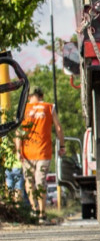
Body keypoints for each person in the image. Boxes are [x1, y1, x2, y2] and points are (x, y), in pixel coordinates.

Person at [14, 87, 65, 221]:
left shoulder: (23, 109)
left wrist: (19, 151)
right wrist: (62, 145)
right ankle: (42, 213)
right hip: (43, 152)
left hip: (27, 154)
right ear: (41, 96)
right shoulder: (49, 107)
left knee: (29, 182)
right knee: (40, 182)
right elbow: (58, 127)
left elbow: (18, 132)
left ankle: (34, 210)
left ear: (29, 96)